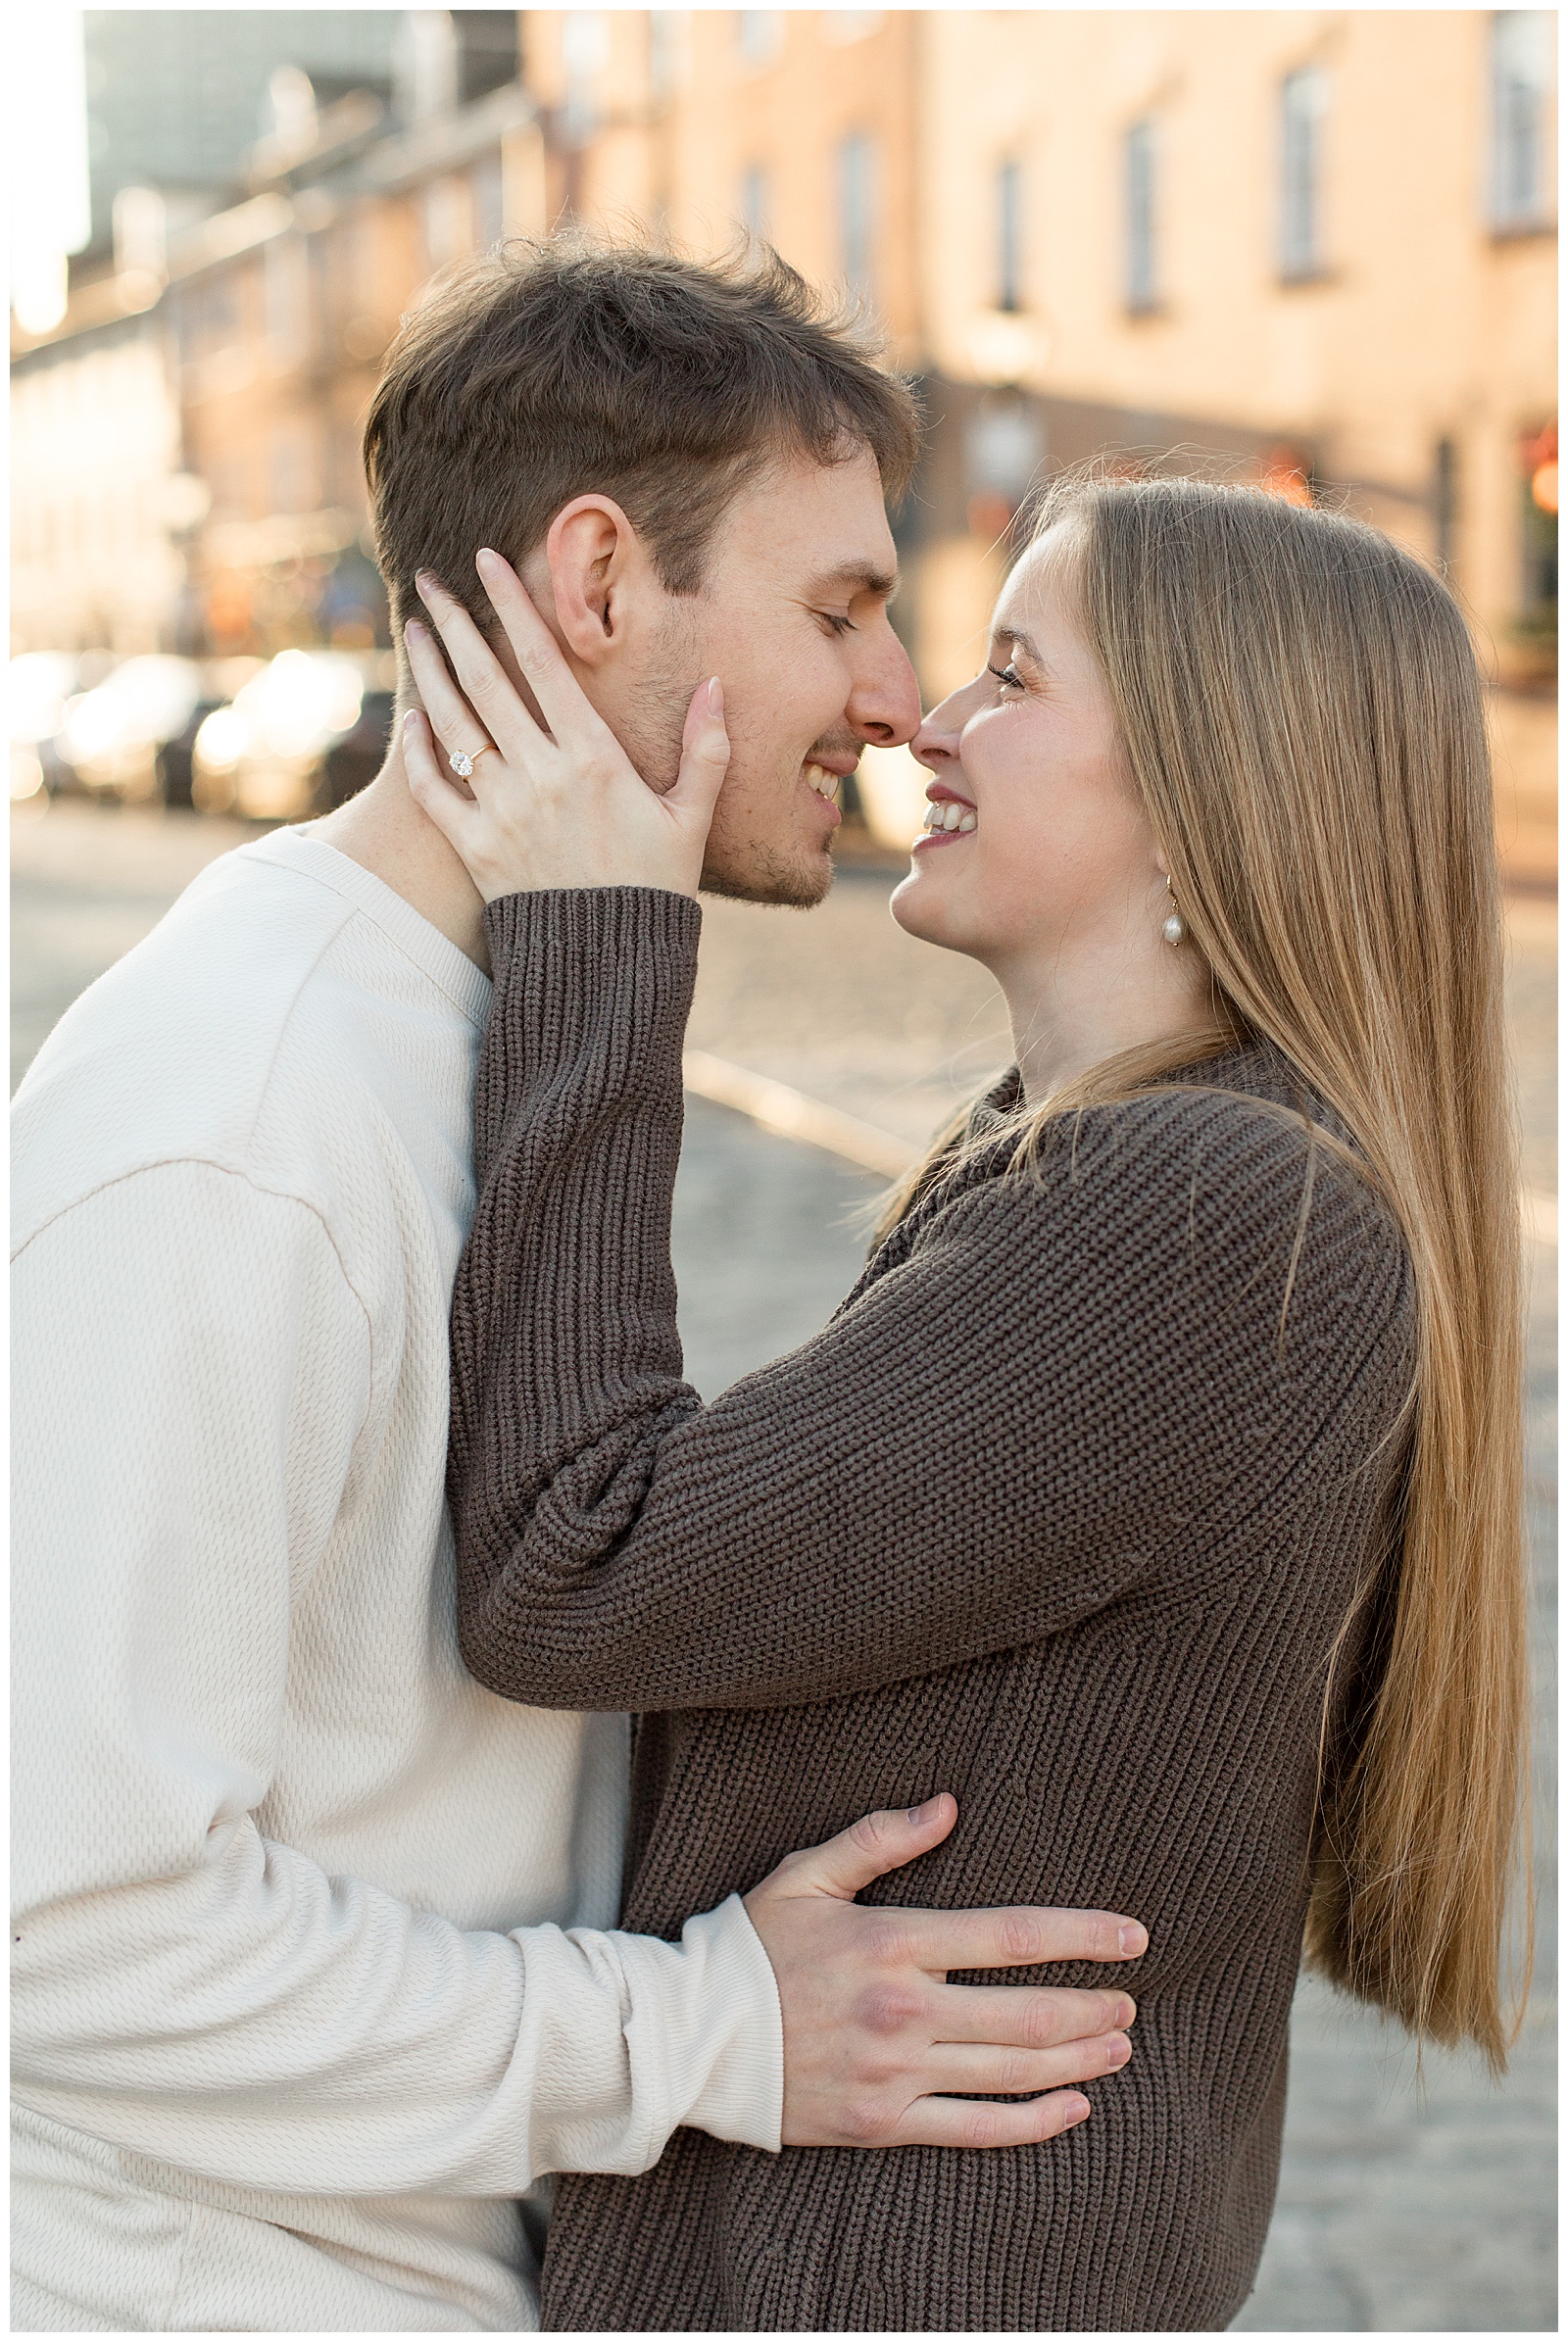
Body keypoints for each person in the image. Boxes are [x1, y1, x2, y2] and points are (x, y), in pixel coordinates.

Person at [10, 246, 1149, 2335]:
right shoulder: (238, 1113)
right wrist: (695, 2036)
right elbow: (62, 1928)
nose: (893, 699)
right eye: (835, 612)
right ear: (601, 585)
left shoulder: (499, 1036)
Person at [405, 467, 1529, 2332]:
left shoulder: (1206, 1212)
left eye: (1013, 674)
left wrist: (597, 933)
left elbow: (573, 1564)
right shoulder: (1114, 1166)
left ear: (1205, 790)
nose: (928, 716)